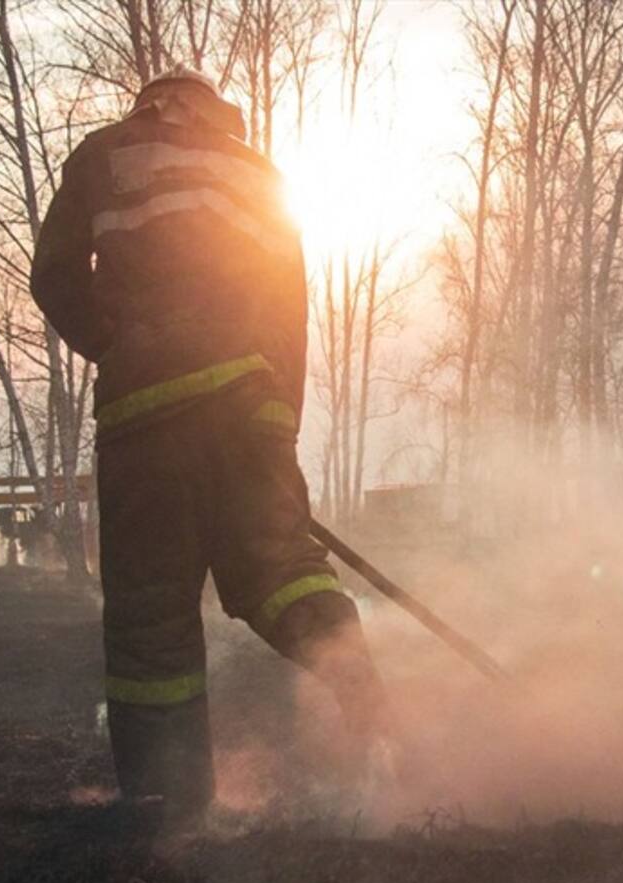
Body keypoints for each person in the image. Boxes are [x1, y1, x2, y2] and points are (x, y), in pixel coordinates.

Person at [30, 65, 389, 828]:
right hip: (251, 413)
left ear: (150, 104)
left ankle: (170, 798)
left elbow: (54, 273)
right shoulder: (262, 176)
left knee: (152, 611)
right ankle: (358, 683)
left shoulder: (107, 153)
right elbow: (289, 313)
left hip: (147, 420)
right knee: (281, 570)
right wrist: (275, 424)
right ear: (218, 113)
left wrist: (116, 346)